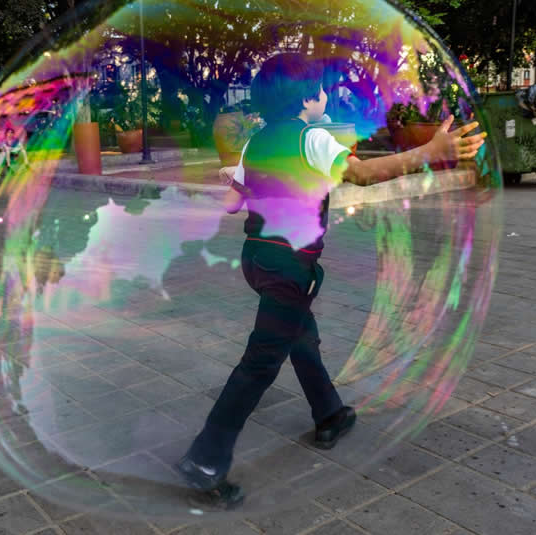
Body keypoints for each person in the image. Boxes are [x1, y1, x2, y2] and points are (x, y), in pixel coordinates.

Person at [175, 53, 485, 506]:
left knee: (300, 337)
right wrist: (430, 153)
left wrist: (237, 179)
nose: (325, 97)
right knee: (260, 364)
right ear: (307, 97)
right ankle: (203, 461)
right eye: (321, 90)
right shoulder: (312, 138)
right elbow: (360, 174)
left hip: (257, 260)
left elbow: (231, 205)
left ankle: (330, 414)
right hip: (288, 268)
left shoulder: (255, 142)